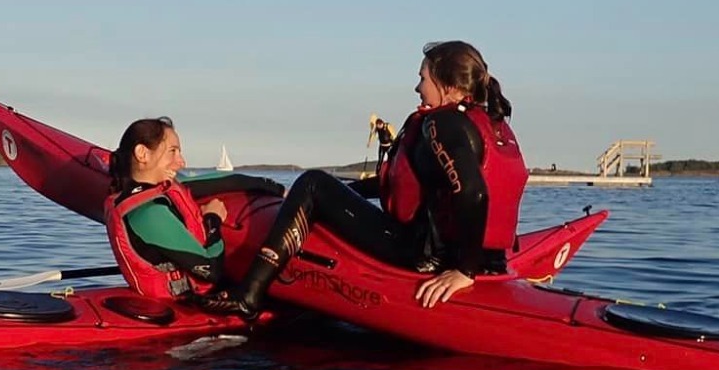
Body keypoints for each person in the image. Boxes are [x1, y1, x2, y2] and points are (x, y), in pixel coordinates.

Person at [200, 40, 527, 316]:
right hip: (494, 263)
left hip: (428, 257)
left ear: (449, 86)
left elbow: (473, 193)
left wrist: (463, 271)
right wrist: (341, 193)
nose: (417, 86)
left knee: (312, 182)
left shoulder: (441, 124)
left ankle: (248, 296)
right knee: (319, 191)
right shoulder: (489, 124)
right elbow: (404, 183)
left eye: (423, 78)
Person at [104, 117, 283, 299]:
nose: (181, 162)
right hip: (182, 301)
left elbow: (221, 181)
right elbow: (212, 270)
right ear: (143, 153)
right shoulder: (148, 212)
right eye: (172, 151)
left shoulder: (160, 188)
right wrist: (213, 219)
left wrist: (275, 188)